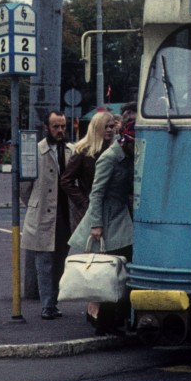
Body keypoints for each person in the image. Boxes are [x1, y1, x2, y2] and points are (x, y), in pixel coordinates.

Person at [69, 120, 135, 334]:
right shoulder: (110, 158)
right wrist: (96, 225)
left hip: (120, 216)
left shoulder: (127, 156)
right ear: (125, 141)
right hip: (108, 220)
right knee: (109, 271)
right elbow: (97, 193)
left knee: (120, 268)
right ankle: (105, 321)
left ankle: (113, 318)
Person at [20, 111, 74, 319]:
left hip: (65, 215)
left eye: (63, 126)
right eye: (55, 127)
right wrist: (35, 203)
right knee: (44, 263)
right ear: (46, 128)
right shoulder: (36, 151)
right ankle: (47, 305)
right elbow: (24, 187)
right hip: (42, 214)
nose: (60, 130)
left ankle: (54, 302)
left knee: (60, 260)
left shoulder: (71, 151)